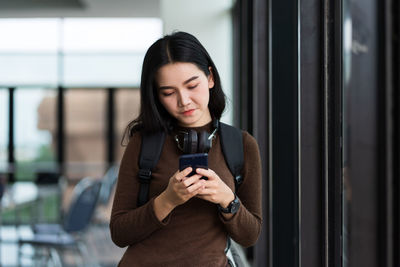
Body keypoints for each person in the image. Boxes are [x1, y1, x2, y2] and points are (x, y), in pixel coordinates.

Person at [109, 31, 262, 267]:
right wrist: (168, 200)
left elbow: (250, 235)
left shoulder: (241, 145)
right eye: (168, 93)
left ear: (210, 77)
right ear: (156, 96)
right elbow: (119, 233)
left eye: (192, 85)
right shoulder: (143, 143)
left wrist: (227, 199)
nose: (184, 100)